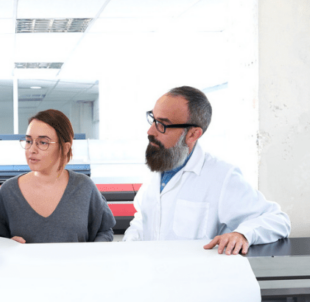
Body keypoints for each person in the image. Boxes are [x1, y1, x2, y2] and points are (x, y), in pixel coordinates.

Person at [123, 86, 290, 255]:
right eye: (153, 119)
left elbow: (277, 220)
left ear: (193, 134)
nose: (150, 131)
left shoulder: (222, 177)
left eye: (163, 124)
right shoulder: (159, 165)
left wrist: (242, 235)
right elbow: (144, 220)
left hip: (197, 278)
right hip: (152, 274)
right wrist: (129, 245)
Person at [0, 109, 115, 243]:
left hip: (76, 264)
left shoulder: (85, 187)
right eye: (29, 141)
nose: (32, 150)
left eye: (43, 142)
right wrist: (7, 245)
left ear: (65, 148)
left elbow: (104, 231)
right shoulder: (8, 191)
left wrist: (94, 253)